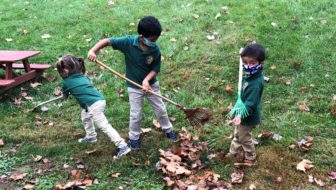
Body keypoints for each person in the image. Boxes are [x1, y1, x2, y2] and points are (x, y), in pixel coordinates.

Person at [87, 16, 177, 150]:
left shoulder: (155, 50)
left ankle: (168, 129)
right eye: (152, 39)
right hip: (134, 87)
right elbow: (107, 41)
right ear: (142, 36)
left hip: (151, 85)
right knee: (136, 115)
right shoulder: (128, 42)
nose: (154, 41)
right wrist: (93, 50)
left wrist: (146, 80)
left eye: (156, 39)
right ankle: (134, 137)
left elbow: (155, 69)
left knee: (161, 109)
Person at [56, 54, 131, 159]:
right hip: (99, 100)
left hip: (93, 105)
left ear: (65, 70)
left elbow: (65, 96)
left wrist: (63, 95)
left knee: (104, 126)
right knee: (85, 116)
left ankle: (122, 146)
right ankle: (91, 136)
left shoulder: (66, 82)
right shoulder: (82, 76)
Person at [226, 44, 266, 165]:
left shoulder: (255, 84)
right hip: (242, 112)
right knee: (237, 133)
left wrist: (240, 116)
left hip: (248, 116)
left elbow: (250, 104)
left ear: (261, 63)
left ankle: (250, 157)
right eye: (245, 62)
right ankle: (233, 151)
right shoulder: (250, 76)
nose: (248, 66)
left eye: (252, 63)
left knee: (243, 137)